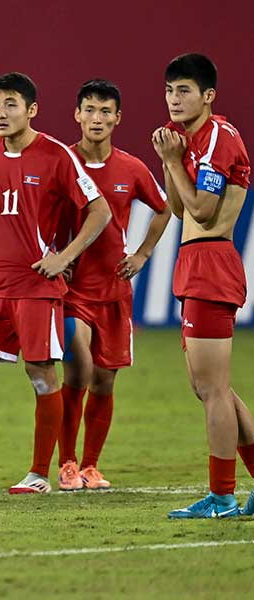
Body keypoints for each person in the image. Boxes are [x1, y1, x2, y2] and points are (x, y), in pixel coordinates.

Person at [0, 72, 111, 496]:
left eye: (11, 104)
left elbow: (100, 211)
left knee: (40, 373)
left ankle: (38, 474)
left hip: (36, 290)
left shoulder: (56, 155)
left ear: (31, 110)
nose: (1, 112)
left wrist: (64, 258)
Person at [151, 54, 254, 519]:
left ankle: (223, 497)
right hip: (194, 261)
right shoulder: (190, 141)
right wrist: (169, 160)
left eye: (184, 91)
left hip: (212, 260)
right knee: (212, 388)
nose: (174, 99)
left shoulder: (218, 138)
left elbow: (205, 210)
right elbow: (178, 208)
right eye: (170, 90)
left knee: (212, 390)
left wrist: (174, 160)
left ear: (208, 95)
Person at [55, 79, 170, 491]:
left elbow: (163, 208)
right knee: (79, 369)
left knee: (104, 380)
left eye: (105, 111)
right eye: (89, 109)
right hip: (71, 293)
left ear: (118, 118)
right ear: (76, 115)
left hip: (114, 290)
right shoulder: (60, 161)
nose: (97, 118)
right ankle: (66, 463)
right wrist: (57, 253)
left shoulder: (132, 167)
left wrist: (141, 254)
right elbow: (38, 213)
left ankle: (90, 466)